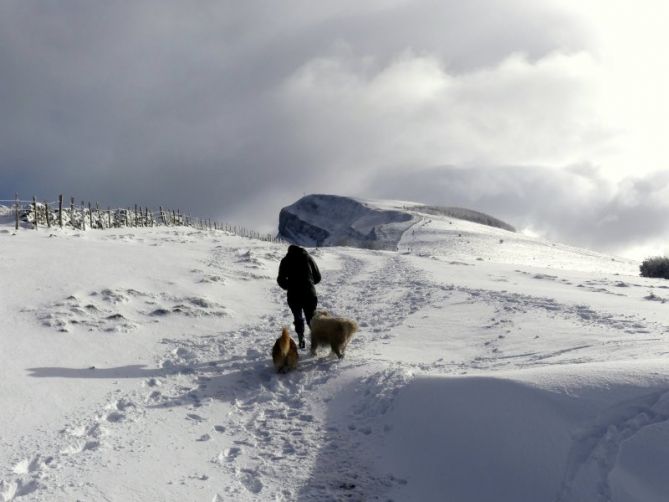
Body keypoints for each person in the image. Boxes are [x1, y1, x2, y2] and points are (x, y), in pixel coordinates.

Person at [277, 244, 321, 349]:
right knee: (311, 318)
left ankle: (301, 339)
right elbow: (318, 277)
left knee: (298, 318)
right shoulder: (308, 257)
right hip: (309, 293)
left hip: (294, 295)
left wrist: (289, 286)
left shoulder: (285, 260)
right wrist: (309, 283)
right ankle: (316, 342)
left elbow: (280, 280)